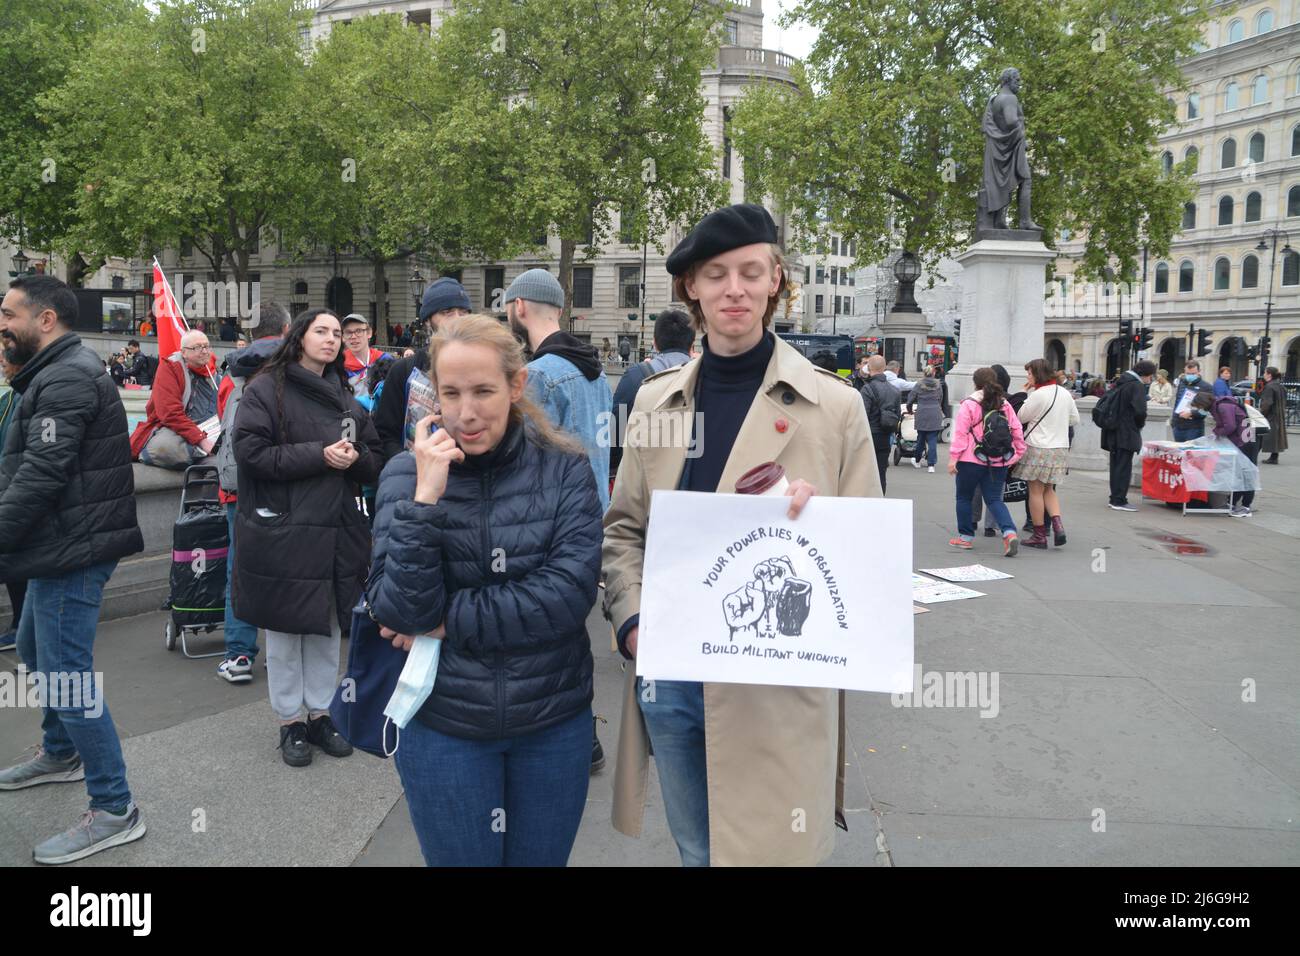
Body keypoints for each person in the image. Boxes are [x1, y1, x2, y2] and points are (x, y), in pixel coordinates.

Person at [604, 202, 881, 866]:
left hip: (775, 684)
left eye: (751, 272)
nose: (735, 289)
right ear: (691, 289)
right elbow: (624, 531)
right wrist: (633, 621)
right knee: (697, 852)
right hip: (672, 674)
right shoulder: (656, 399)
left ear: (776, 280)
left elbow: (867, 563)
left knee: (773, 854)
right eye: (717, 274)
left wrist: (823, 528)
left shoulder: (835, 407)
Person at [368, 315, 601, 866]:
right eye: (451, 393)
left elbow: (568, 595)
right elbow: (396, 606)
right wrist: (425, 500)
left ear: (516, 387)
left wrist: (446, 621)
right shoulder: (406, 475)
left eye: (483, 391)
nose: (466, 412)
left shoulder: (565, 469)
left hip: (551, 724)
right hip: (444, 726)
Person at [0, 275, 146, 863]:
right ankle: (60, 753)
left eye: (9, 313)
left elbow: (41, 474)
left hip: (73, 548)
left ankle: (115, 807)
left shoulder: (64, 377)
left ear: (46, 320)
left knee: (66, 673)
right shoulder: (52, 371)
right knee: (36, 651)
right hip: (60, 543)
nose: (1, 323)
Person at [230, 308, 383, 766]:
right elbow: (251, 453)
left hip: (336, 530)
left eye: (338, 333)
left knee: (326, 626)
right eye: (322, 331)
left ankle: (320, 714)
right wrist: (320, 455)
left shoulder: (346, 398)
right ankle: (288, 722)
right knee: (283, 631)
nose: (333, 339)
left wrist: (351, 458)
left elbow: (373, 459)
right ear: (299, 337)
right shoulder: (265, 389)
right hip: (283, 531)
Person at [212, 300, 292, 684]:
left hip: (239, 489)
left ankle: (239, 655)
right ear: (287, 329)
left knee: (239, 571)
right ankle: (286, 655)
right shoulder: (298, 367)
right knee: (291, 569)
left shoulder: (232, 373)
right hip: (289, 483)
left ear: (248, 332)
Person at [506, 268, 612, 512]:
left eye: (508, 310)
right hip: (596, 512)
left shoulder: (536, 375)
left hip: (559, 519)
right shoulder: (598, 372)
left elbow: (525, 463)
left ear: (519, 306)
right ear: (560, 311)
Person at [375, 277, 471, 462]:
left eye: (463, 311)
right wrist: (408, 467)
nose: (458, 319)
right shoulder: (403, 371)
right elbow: (385, 434)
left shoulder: (482, 366)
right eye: (447, 312)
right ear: (428, 321)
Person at [947, 366, 1026, 554]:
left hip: (970, 459)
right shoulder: (1005, 404)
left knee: (964, 497)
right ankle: (1009, 531)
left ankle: (965, 537)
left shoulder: (969, 404)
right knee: (994, 499)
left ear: (975, 383)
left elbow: (960, 434)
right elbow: (1016, 430)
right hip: (998, 460)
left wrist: (953, 458)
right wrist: (1017, 454)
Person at [610, 309, 695, 476]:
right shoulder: (707, 376)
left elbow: (616, 432)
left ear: (655, 343)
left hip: (644, 476)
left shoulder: (636, 376)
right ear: (692, 346)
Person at [129, 328, 219, 468]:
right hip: (176, 427)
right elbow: (170, 413)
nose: (204, 351)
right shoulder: (170, 367)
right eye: (196, 347)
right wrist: (201, 440)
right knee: (163, 448)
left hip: (209, 427)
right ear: (183, 352)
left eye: (207, 346)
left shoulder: (214, 371)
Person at [1014, 359, 1080, 548]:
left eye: (1029, 373)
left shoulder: (1038, 394)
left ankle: (1039, 535)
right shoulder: (1064, 393)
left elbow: (1020, 417)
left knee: (1035, 491)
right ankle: (1058, 526)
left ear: (1037, 374)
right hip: (1059, 448)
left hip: (1038, 446)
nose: (1028, 377)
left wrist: (1022, 392)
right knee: (1049, 489)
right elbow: (1074, 418)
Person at [1100, 358, 1156, 511]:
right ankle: (1120, 500)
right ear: (1144, 374)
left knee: (1116, 465)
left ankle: (1114, 498)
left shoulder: (1121, 382)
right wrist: (1139, 425)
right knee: (1124, 467)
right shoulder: (1136, 386)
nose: (1150, 380)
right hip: (1127, 432)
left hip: (1113, 431)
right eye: (1150, 376)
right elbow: (1140, 411)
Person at [1191, 391, 1257, 517]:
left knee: (1246, 472)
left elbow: (1230, 426)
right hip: (1243, 437)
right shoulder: (1218, 405)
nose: (1200, 409)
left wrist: (1216, 432)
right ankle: (1233, 502)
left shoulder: (1222, 406)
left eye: (1199, 406)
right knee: (1238, 471)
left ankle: (1245, 506)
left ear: (1203, 403)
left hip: (1246, 439)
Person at [0, 352, 25, 652]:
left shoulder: (29, 396)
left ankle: (22, 626)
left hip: (20, 495)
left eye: (7, 359)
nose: (3, 363)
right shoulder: (8, 400)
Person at [859, 354, 900, 493]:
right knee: (881, 472)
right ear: (884, 368)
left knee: (864, 472)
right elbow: (897, 415)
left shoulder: (867, 389)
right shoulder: (895, 390)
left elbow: (862, 414)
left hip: (869, 435)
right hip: (885, 435)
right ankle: (880, 499)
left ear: (869, 367)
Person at [906, 366, 944, 472]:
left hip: (922, 412)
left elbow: (910, 399)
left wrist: (909, 409)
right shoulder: (938, 384)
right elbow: (940, 398)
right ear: (933, 373)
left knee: (921, 438)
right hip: (935, 412)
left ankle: (917, 460)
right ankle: (931, 465)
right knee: (932, 439)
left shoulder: (919, 384)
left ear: (924, 373)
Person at [340, 313, 385, 401]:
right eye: (348, 332)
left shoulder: (384, 360)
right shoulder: (339, 365)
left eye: (359, 331)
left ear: (369, 333)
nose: (353, 336)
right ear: (343, 337)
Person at [1172, 360, 1214, 442]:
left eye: (1193, 374)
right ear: (1184, 371)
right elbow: (1177, 402)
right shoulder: (1181, 384)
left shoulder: (1207, 387)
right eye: (1188, 373)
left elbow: (1208, 409)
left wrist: (1192, 413)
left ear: (1199, 372)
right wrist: (1173, 421)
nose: (1190, 376)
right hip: (1178, 425)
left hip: (1194, 427)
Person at [1258, 367, 1287, 464]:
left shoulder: (1269, 386)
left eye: (1265, 373)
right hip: (1279, 413)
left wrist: (1261, 414)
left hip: (1271, 415)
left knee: (1260, 435)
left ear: (1269, 374)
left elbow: (1267, 403)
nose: (1264, 375)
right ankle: (1274, 457)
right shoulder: (1280, 386)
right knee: (1276, 435)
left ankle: (1252, 455)